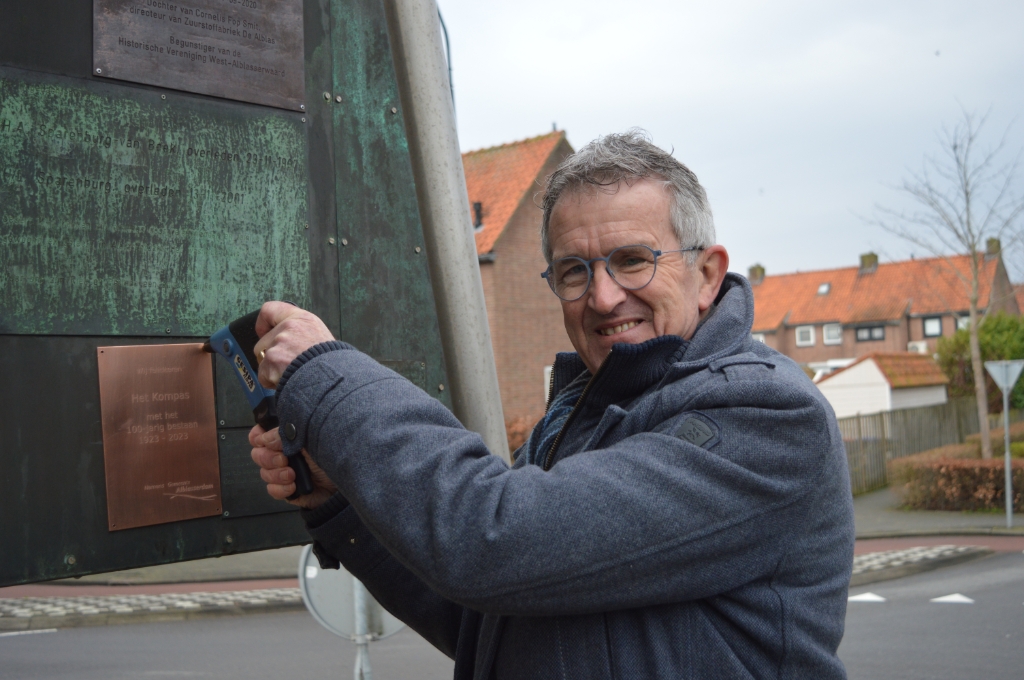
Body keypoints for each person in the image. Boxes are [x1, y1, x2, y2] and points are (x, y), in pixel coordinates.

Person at [250, 130, 854, 679]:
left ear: (707, 275)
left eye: (633, 260)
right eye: (573, 271)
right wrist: (340, 503)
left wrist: (325, 377)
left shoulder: (766, 414)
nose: (602, 296)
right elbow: (487, 618)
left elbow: (492, 540)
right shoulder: (580, 415)